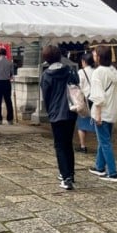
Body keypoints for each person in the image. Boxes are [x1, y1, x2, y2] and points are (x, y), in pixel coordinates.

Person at [40, 45, 80, 190]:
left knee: (59, 145)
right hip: (71, 110)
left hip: (56, 112)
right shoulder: (69, 70)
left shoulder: (46, 75)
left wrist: (50, 111)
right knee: (68, 143)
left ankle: (66, 177)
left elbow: (46, 96)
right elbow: (76, 85)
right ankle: (70, 173)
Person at [88, 46, 117, 183]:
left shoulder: (98, 72)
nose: (93, 55)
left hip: (102, 112)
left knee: (105, 142)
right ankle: (99, 166)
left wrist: (97, 115)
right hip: (112, 110)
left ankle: (113, 172)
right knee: (104, 140)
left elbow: (98, 96)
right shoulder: (113, 70)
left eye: (95, 53)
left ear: (99, 56)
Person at [75, 52, 96, 154]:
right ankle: (100, 145)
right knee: (97, 123)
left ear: (84, 61)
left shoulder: (81, 72)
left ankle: (83, 146)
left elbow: (79, 87)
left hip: (85, 100)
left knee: (82, 124)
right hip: (96, 100)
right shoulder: (97, 71)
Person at [0, 47, 14, 125]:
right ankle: (10, 119)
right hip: (6, 82)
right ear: (5, 54)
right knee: (8, 101)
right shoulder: (9, 62)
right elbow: (11, 73)